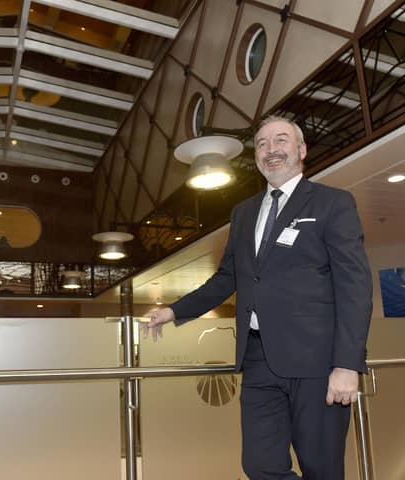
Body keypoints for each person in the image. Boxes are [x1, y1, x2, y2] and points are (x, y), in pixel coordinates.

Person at [142, 116, 372, 480]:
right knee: (259, 466)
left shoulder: (333, 203)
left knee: (322, 468)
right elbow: (226, 279)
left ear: (301, 150)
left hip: (318, 364)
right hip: (258, 358)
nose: (271, 150)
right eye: (262, 144)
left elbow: (355, 285)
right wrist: (172, 311)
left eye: (281, 140)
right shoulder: (244, 212)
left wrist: (347, 364)